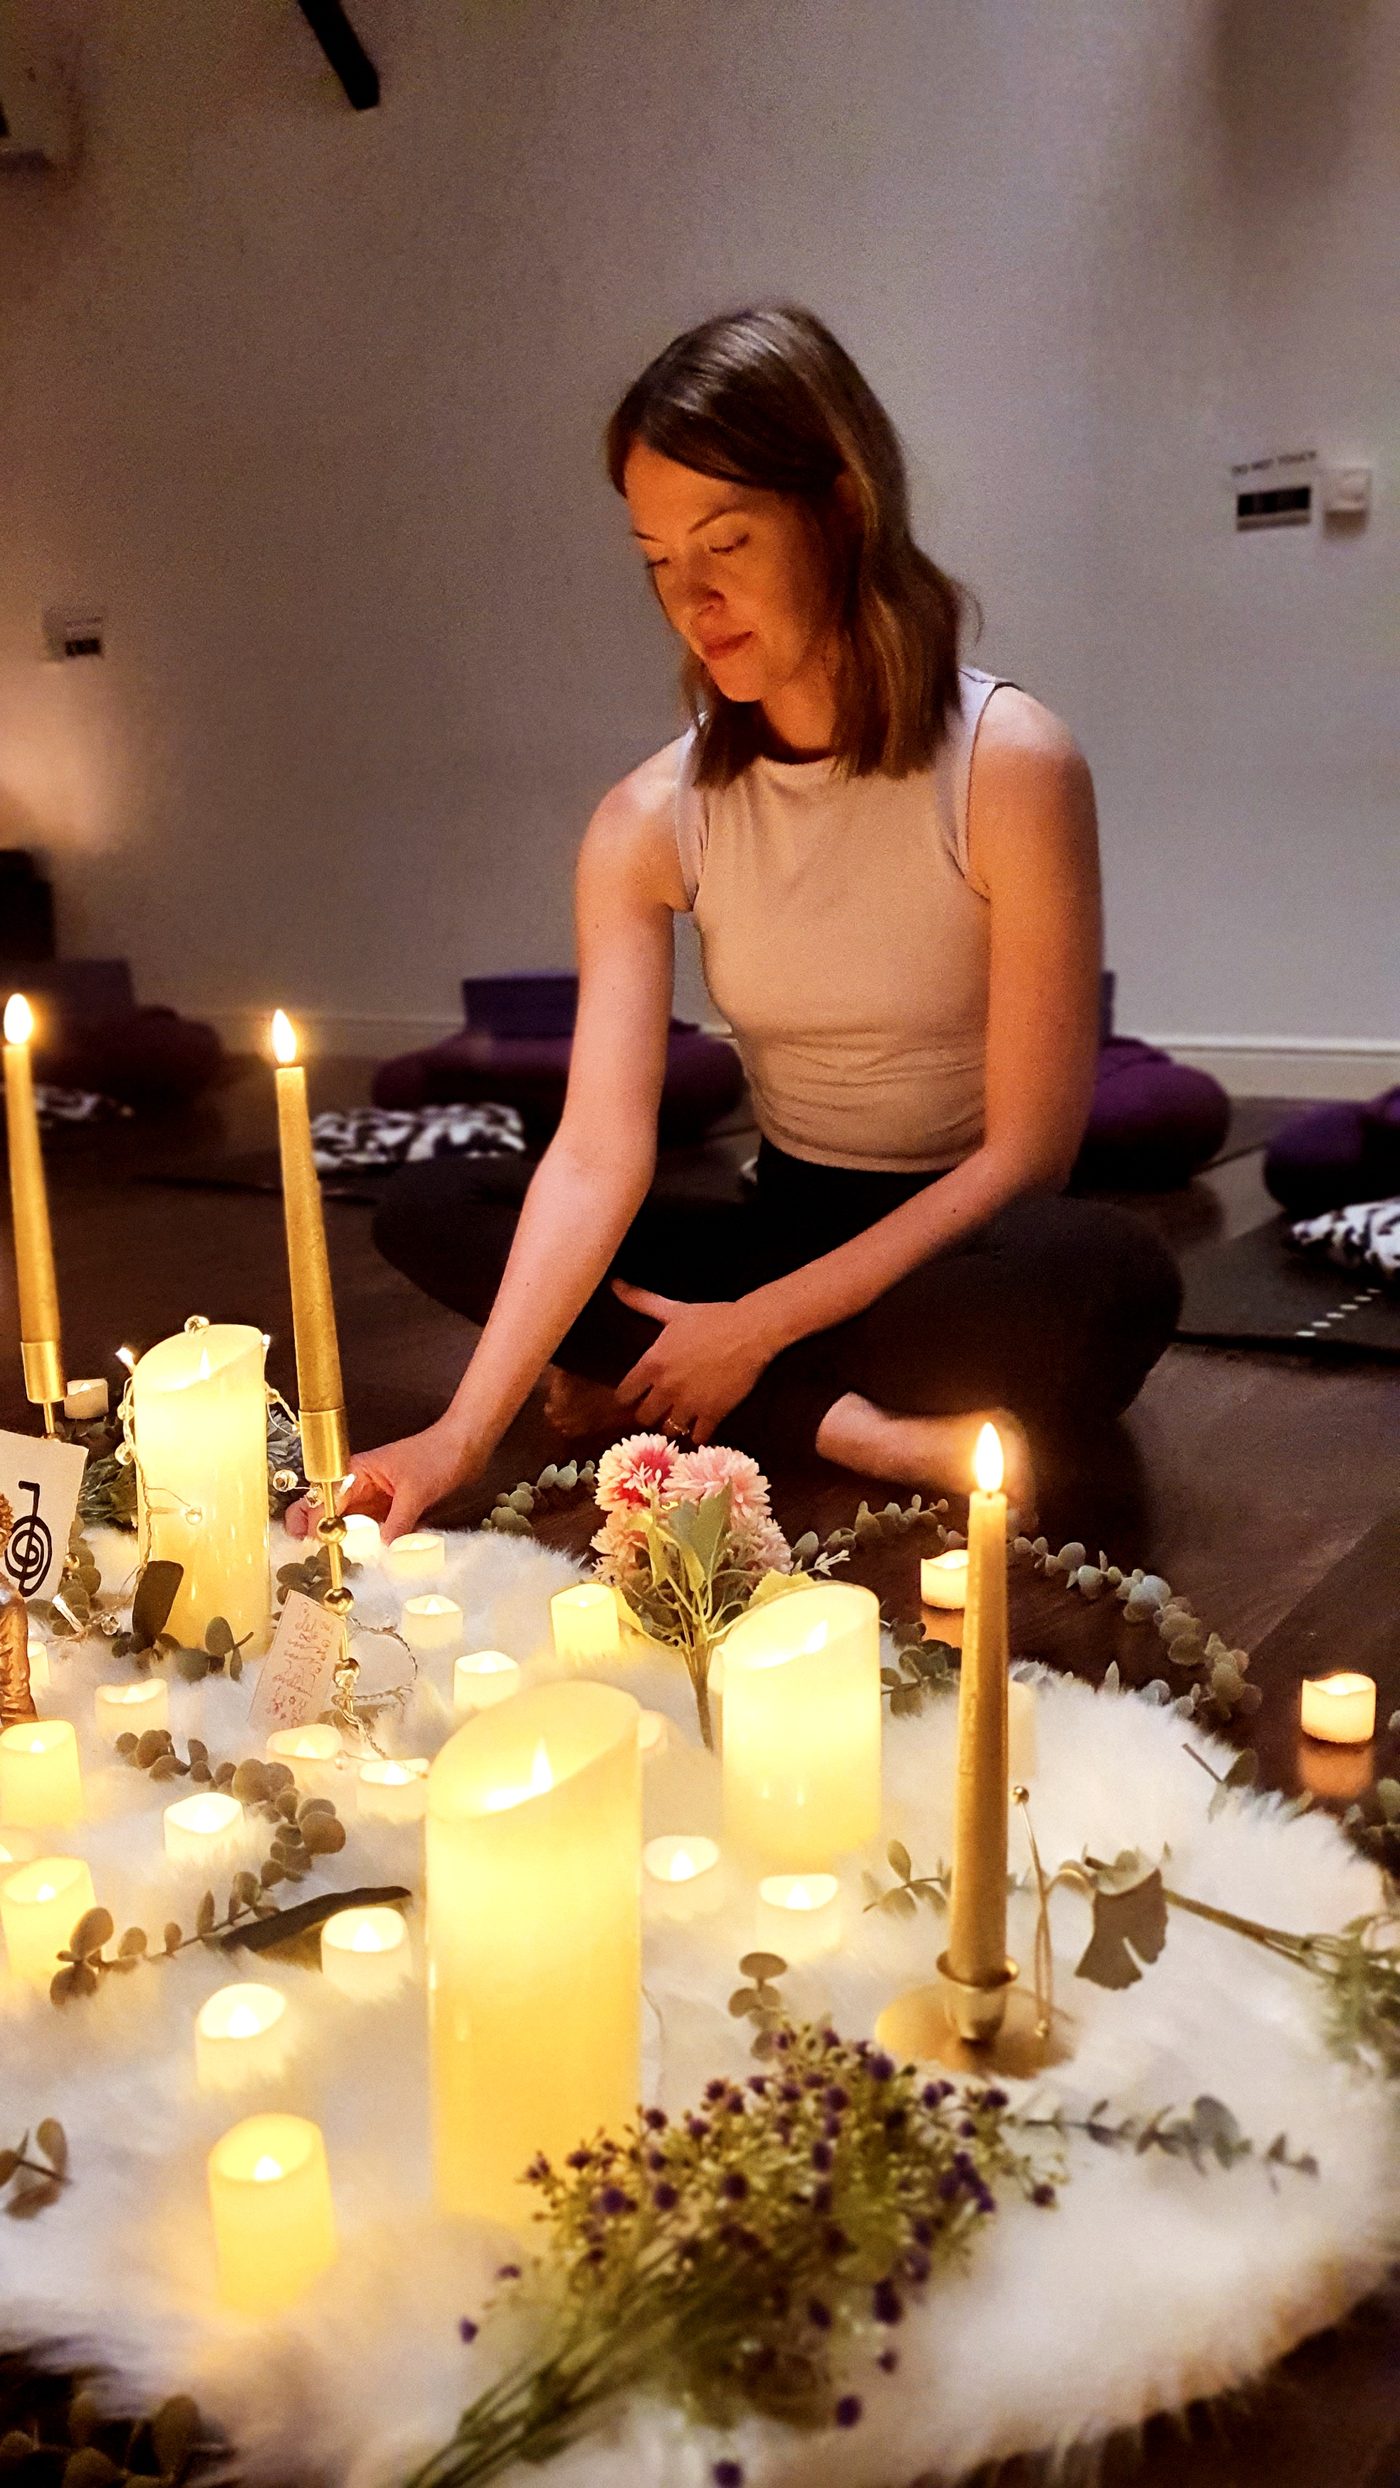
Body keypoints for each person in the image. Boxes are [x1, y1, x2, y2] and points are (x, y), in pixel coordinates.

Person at [303, 305, 1180, 1543]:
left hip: (962, 1248)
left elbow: (1023, 1157)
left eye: (725, 541)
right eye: (657, 557)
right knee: (435, 1208)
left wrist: (753, 1330)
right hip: (781, 1222)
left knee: (1108, 1279)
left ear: (838, 510)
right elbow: (600, 1156)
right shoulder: (644, 818)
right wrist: (458, 1434)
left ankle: (675, 1390)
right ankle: (845, 1425)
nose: (691, 597)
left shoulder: (1011, 766)